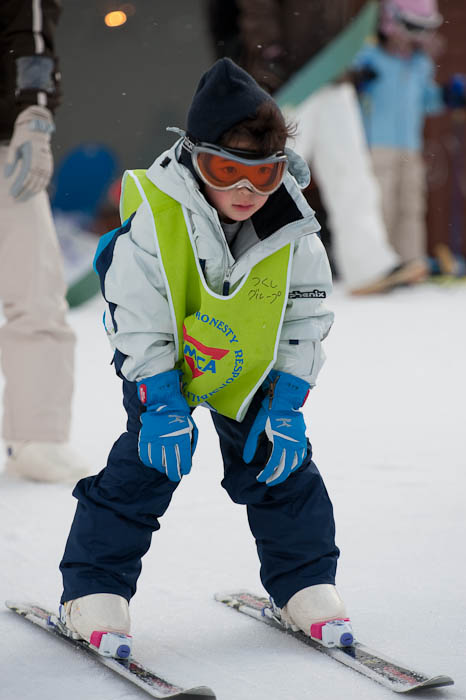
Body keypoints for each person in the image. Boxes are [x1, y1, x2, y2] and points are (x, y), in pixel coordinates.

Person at [58, 58, 352, 655]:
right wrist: (162, 400)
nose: (246, 191)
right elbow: (137, 320)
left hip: (250, 366)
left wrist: (290, 399)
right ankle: (92, 591)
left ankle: (304, 584)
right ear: (195, 158)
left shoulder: (292, 227)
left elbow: (304, 316)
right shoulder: (157, 218)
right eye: (227, 170)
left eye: (264, 176)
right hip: (163, 363)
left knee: (278, 462)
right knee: (150, 464)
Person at [227, 0, 431, 294]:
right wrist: (267, 51)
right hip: (293, 80)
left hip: (335, 77)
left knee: (353, 175)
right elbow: (258, 8)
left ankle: (368, 265)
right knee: (272, 176)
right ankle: (245, 264)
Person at [0, 0, 88, 482]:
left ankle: (36, 435)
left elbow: (27, 32)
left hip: (2, 150)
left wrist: (32, 111)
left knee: (36, 295)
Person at [353, 0, 465, 274]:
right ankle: (379, 264)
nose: (418, 37)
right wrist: (358, 82)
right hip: (377, 147)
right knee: (382, 206)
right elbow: (350, 97)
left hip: (410, 148)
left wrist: (446, 96)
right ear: (392, 24)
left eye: (424, 30)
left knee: (412, 207)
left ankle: (411, 261)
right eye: (413, 28)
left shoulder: (420, 64)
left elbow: (426, 102)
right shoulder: (370, 57)